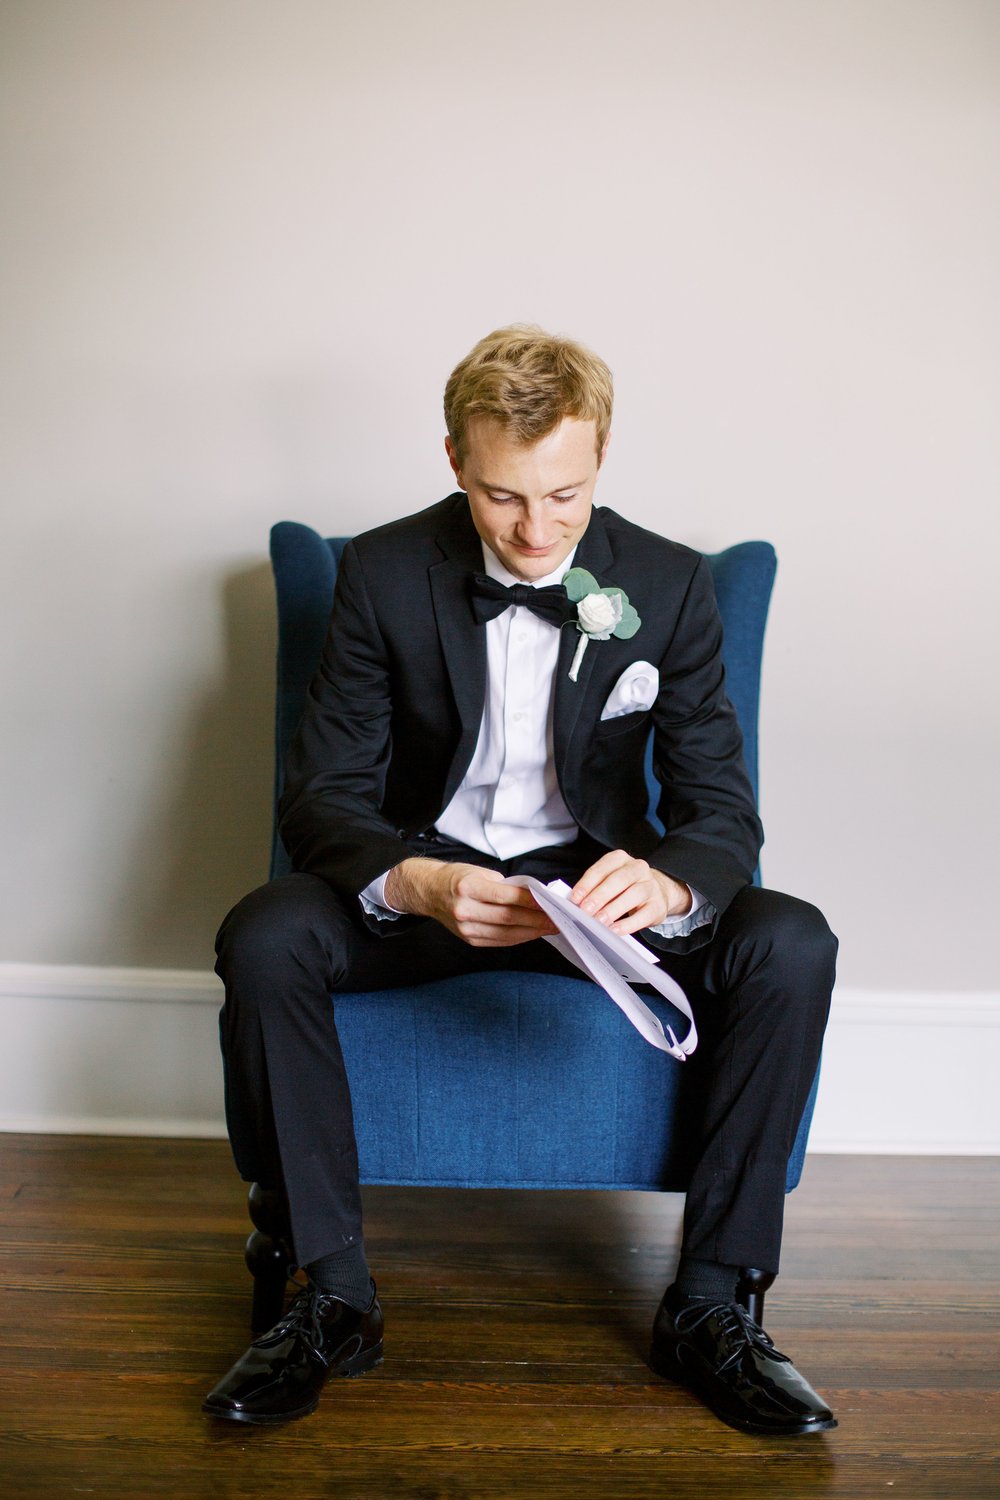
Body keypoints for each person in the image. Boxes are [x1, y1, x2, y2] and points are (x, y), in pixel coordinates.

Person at [204, 325, 838, 1436]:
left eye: (566, 496)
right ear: (454, 460)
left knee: (791, 939)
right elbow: (322, 799)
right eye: (503, 497)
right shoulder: (384, 571)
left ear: (599, 462)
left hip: (594, 902)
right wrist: (412, 881)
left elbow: (720, 813)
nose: (537, 531)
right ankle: (332, 1298)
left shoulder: (668, 585)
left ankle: (712, 1306)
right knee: (265, 931)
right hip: (427, 892)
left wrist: (668, 887)